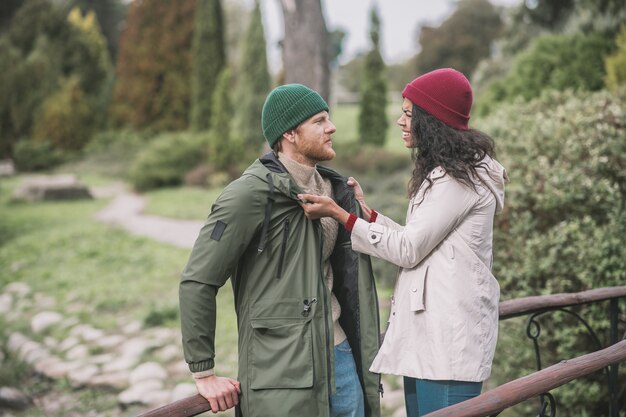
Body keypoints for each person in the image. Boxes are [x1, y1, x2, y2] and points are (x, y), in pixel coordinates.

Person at [298, 68, 508, 416]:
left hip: (448, 345)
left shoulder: (460, 180)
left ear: (432, 120)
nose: (400, 120)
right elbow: (422, 241)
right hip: (430, 339)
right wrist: (370, 216)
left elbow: (408, 251)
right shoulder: (450, 171)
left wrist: (341, 215)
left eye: (409, 113)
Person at [179, 84, 382, 417]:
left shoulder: (335, 190)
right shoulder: (248, 196)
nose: (331, 128)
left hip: (341, 354)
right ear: (290, 133)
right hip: (283, 369)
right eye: (319, 121)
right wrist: (204, 372)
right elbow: (197, 280)